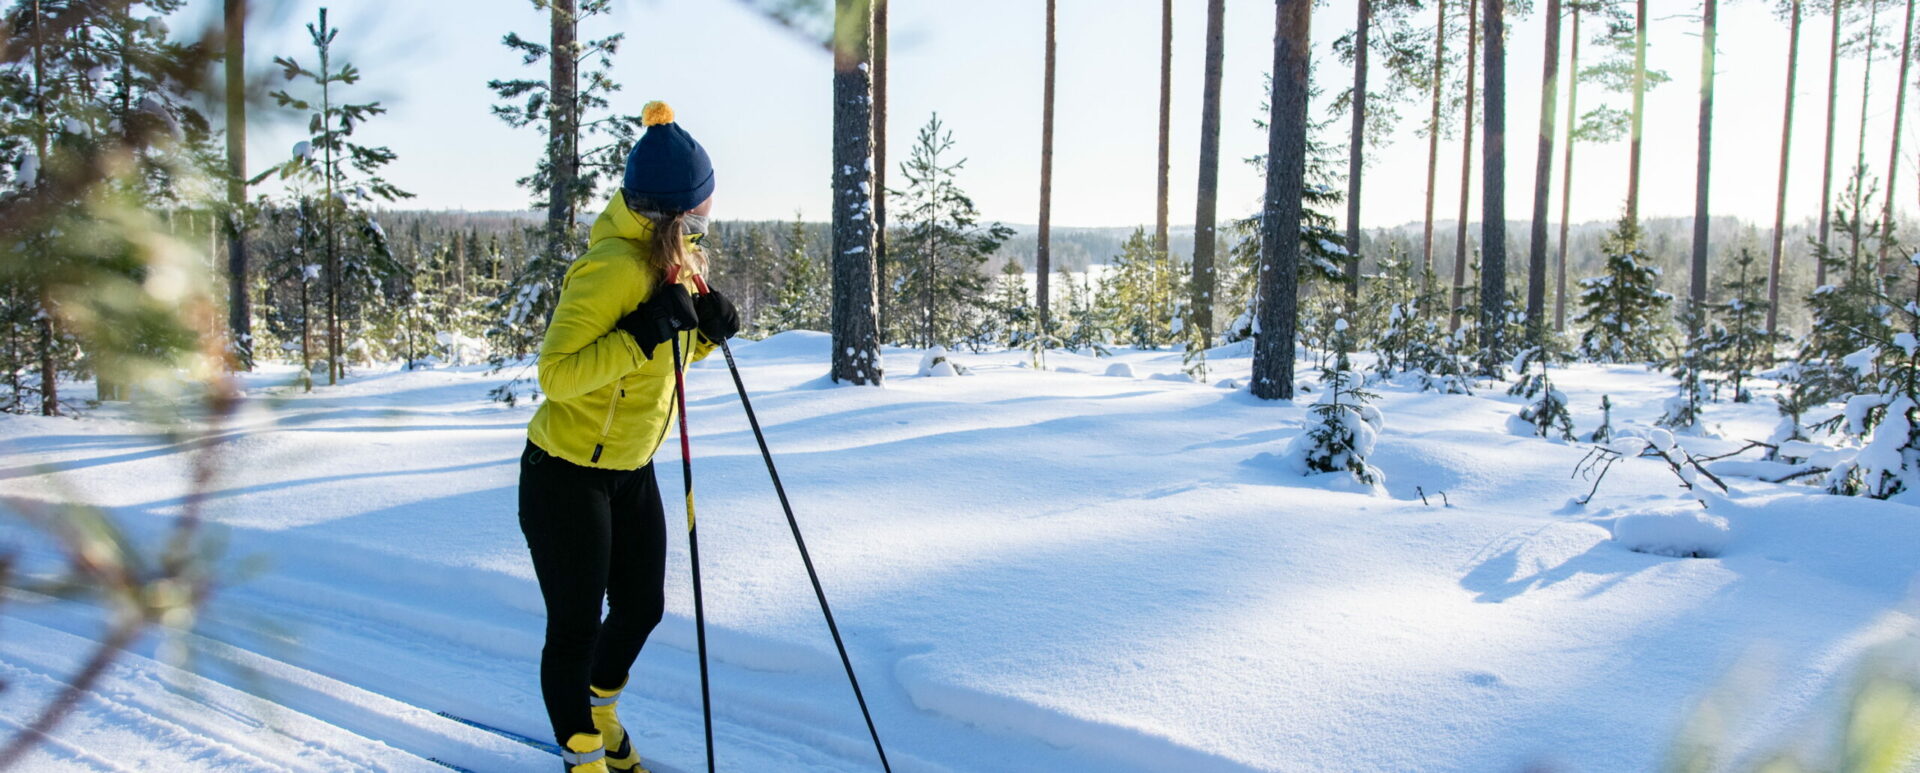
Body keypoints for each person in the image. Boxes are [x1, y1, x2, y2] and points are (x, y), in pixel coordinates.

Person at [518, 101, 740, 773]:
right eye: (697, 213)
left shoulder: (683, 261)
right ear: (668, 213)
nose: (705, 222)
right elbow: (557, 375)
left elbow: (660, 366)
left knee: (643, 606)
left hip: (631, 469)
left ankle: (600, 709)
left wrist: (703, 334)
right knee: (578, 626)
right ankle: (582, 754)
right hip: (565, 474)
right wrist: (641, 330)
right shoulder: (610, 268)